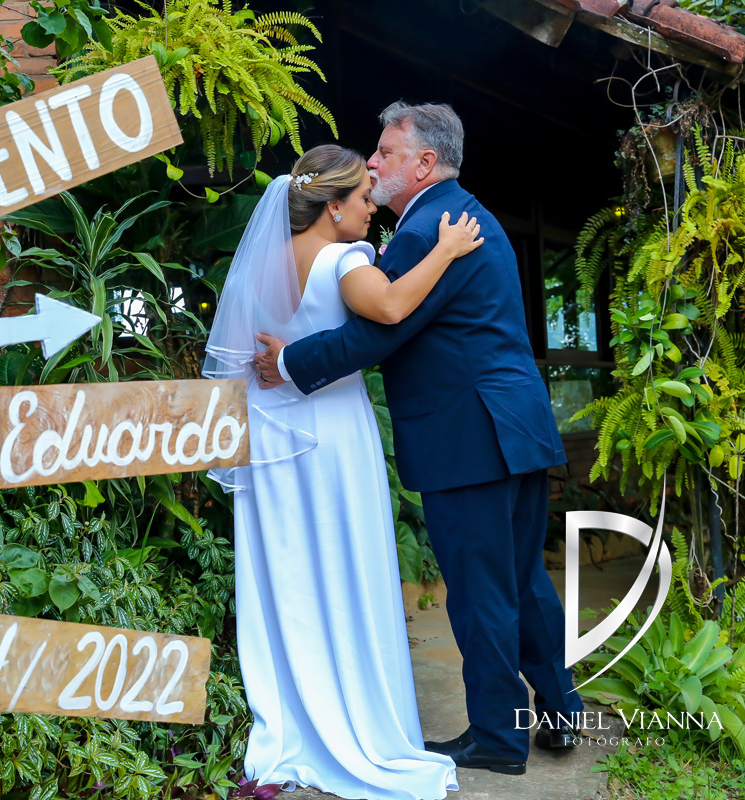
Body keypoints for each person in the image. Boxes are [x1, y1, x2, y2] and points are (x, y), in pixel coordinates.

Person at [252, 102, 584, 776]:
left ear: (425, 163)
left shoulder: (429, 229)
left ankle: (498, 737)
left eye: (386, 153)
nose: (373, 164)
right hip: (514, 426)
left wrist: (290, 362)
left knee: (481, 592)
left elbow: (378, 331)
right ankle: (559, 714)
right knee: (522, 581)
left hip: (469, 440)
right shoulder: (468, 215)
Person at [203, 143, 482, 800]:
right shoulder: (342, 259)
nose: (371, 207)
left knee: (288, 575)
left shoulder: (261, 265)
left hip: (269, 441)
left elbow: (242, 360)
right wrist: (445, 251)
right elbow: (389, 309)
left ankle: (297, 715)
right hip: (329, 437)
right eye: (361, 198)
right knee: (347, 567)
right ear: (331, 207)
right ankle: (355, 715)